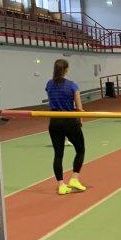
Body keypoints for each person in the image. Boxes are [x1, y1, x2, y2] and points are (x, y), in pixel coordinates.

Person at [46, 58, 86, 195]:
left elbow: (52, 98)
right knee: (80, 150)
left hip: (54, 121)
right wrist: (80, 119)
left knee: (58, 154)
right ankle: (74, 178)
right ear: (66, 70)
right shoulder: (73, 85)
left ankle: (61, 185)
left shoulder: (49, 84)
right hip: (70, 121)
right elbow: (79, 108)